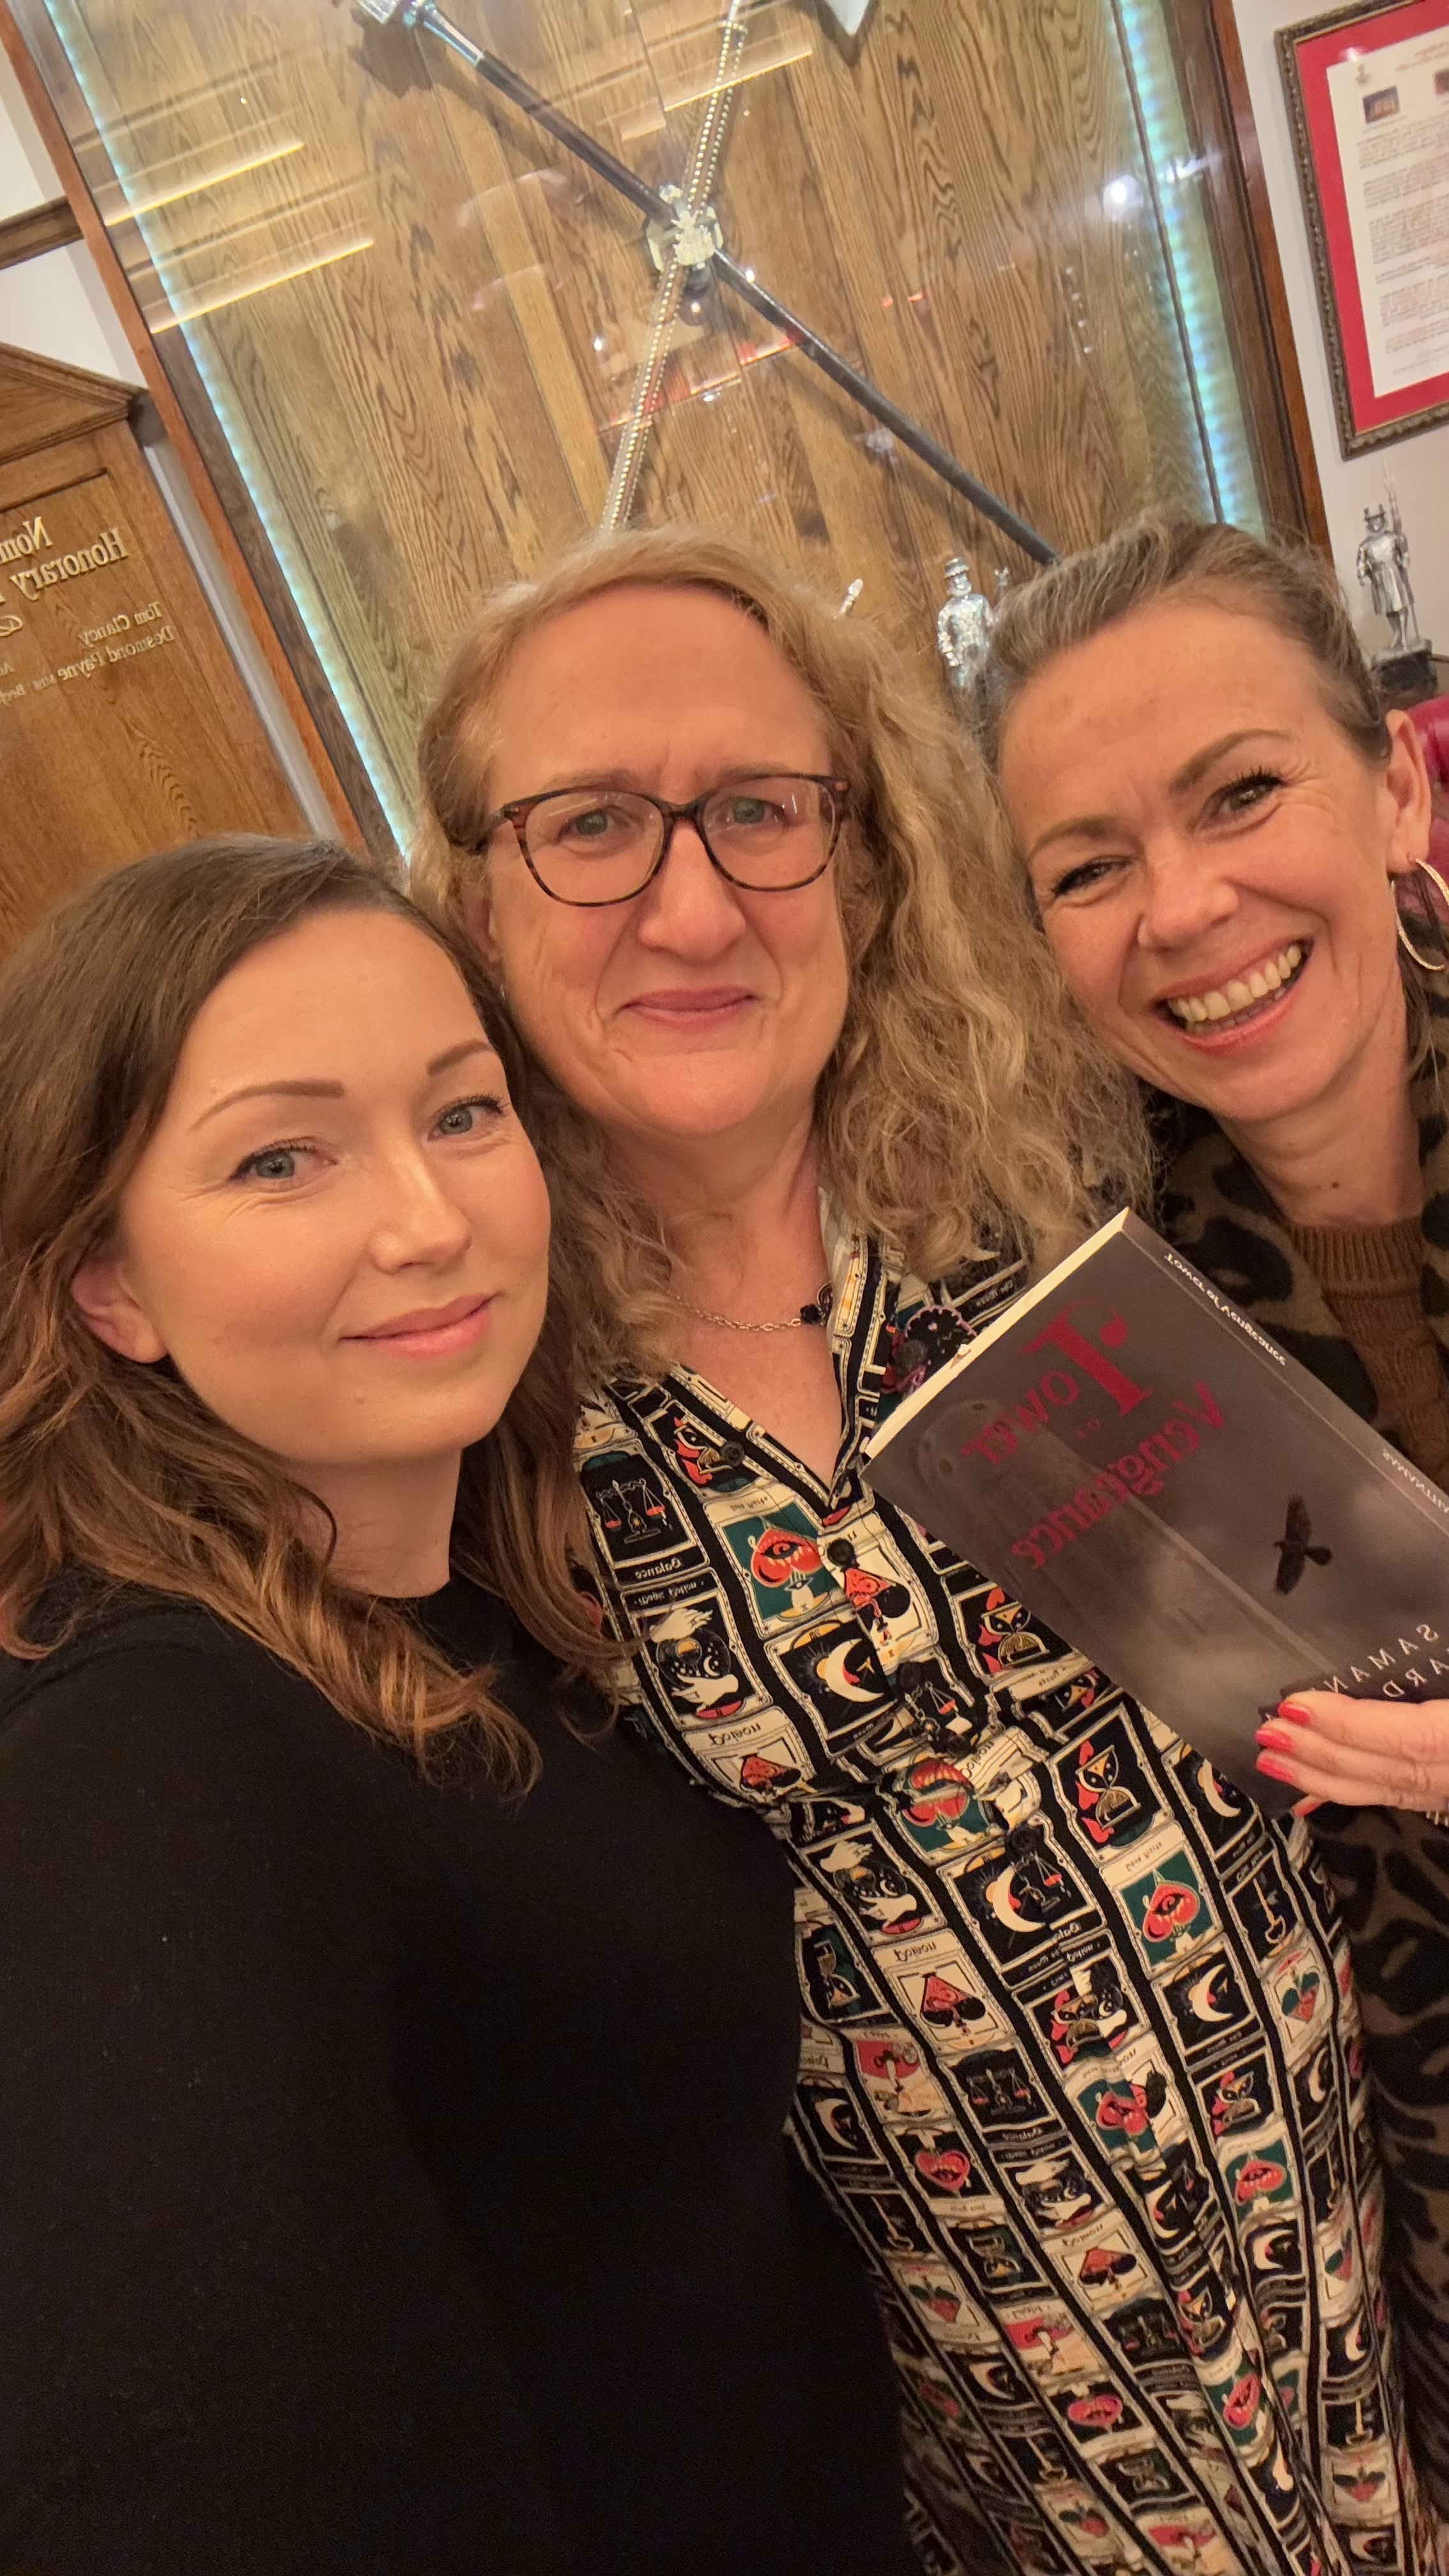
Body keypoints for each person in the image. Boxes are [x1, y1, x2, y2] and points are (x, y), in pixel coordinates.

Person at [411, 526, 1441, 2576]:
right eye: (592, 824)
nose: (690, 897)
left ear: (866, 870)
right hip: (968, 2432)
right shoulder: (476, 1389)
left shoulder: (1050, 1202)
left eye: (765, 815)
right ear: (475, 891)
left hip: (1358, 2272)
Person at [0, 835, 911, 2576]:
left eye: (462, 1113)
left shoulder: (470, 1595)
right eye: (282, 1158)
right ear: (106, 1281)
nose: (428, 1222)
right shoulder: (145, 1754)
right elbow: (163, 2470)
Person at [972, 509, 1449, 2517]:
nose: (1178, 908)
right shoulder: (1072, 1340)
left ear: (1399, 780)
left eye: (1239, 793)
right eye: (1087, 868)